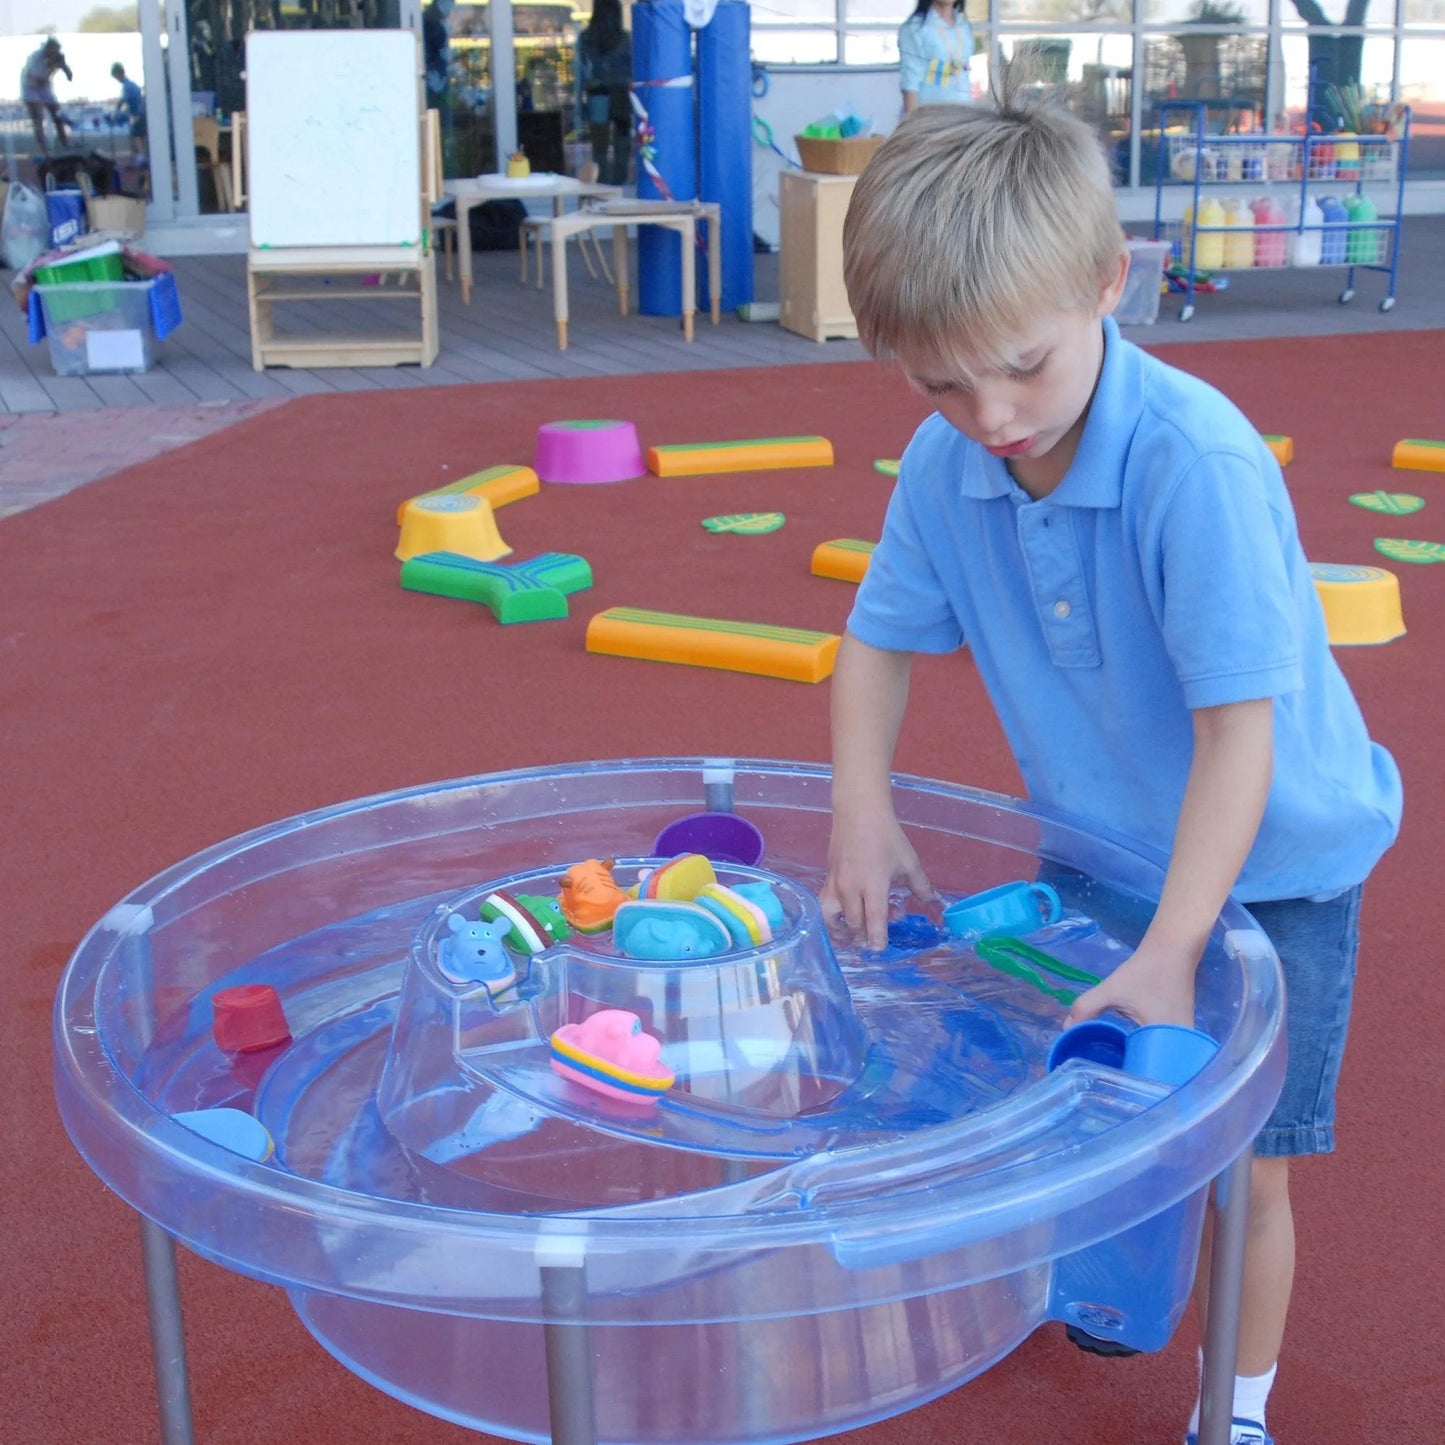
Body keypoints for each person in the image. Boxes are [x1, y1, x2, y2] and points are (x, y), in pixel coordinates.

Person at [822, 75, 1401, 1445]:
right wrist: (861, 806)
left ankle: (1237, 1412)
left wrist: (1180, 941)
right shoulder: (940, 459)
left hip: (1278, 867)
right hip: (1102, 847)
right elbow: (876, 638)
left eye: (1021, 364)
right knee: (1083, 1093)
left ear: (1107, 283)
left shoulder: (1188, 462)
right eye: (942, 380)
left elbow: (1236, 733)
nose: (991, 412)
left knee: (1244, 1162)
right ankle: (1093, 1285)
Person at [577, 0, 632, 186]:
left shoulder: (586, 38)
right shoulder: (624, 38)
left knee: (599, 144)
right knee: (622, 140)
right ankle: (620, 181)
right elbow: (632, 69)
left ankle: (601, 182)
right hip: (621, 93)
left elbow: (581, 71)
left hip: (596, 92)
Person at [897, 0, 974, 113]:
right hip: (931, 117)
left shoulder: (963, 25)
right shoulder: (915, 28)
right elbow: (910, 81)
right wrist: (913, 125)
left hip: (964, 114)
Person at [21, 37, 72, 156]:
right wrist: (51, 64)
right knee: (38, 119)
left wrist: (64, 68)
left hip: (45, 87)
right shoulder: (35, 58)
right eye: (53, 51)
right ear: (48, 49)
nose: (55, 54)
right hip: (30, 86)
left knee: (57, 114)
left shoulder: (58, 56)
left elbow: (69, 74)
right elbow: (39, 78)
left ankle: (64, 143)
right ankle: (44, 150)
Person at [110, 62, 146, 151]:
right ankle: (143, 156)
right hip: (141, 114)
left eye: (115, 77)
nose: (116, 79)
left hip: (138, 116)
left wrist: (115, 113)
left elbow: (121, 101)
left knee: (136, 137)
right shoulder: (132, 84)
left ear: (118, 74)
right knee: (141, 137)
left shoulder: (127, 86)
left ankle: (141, 158)